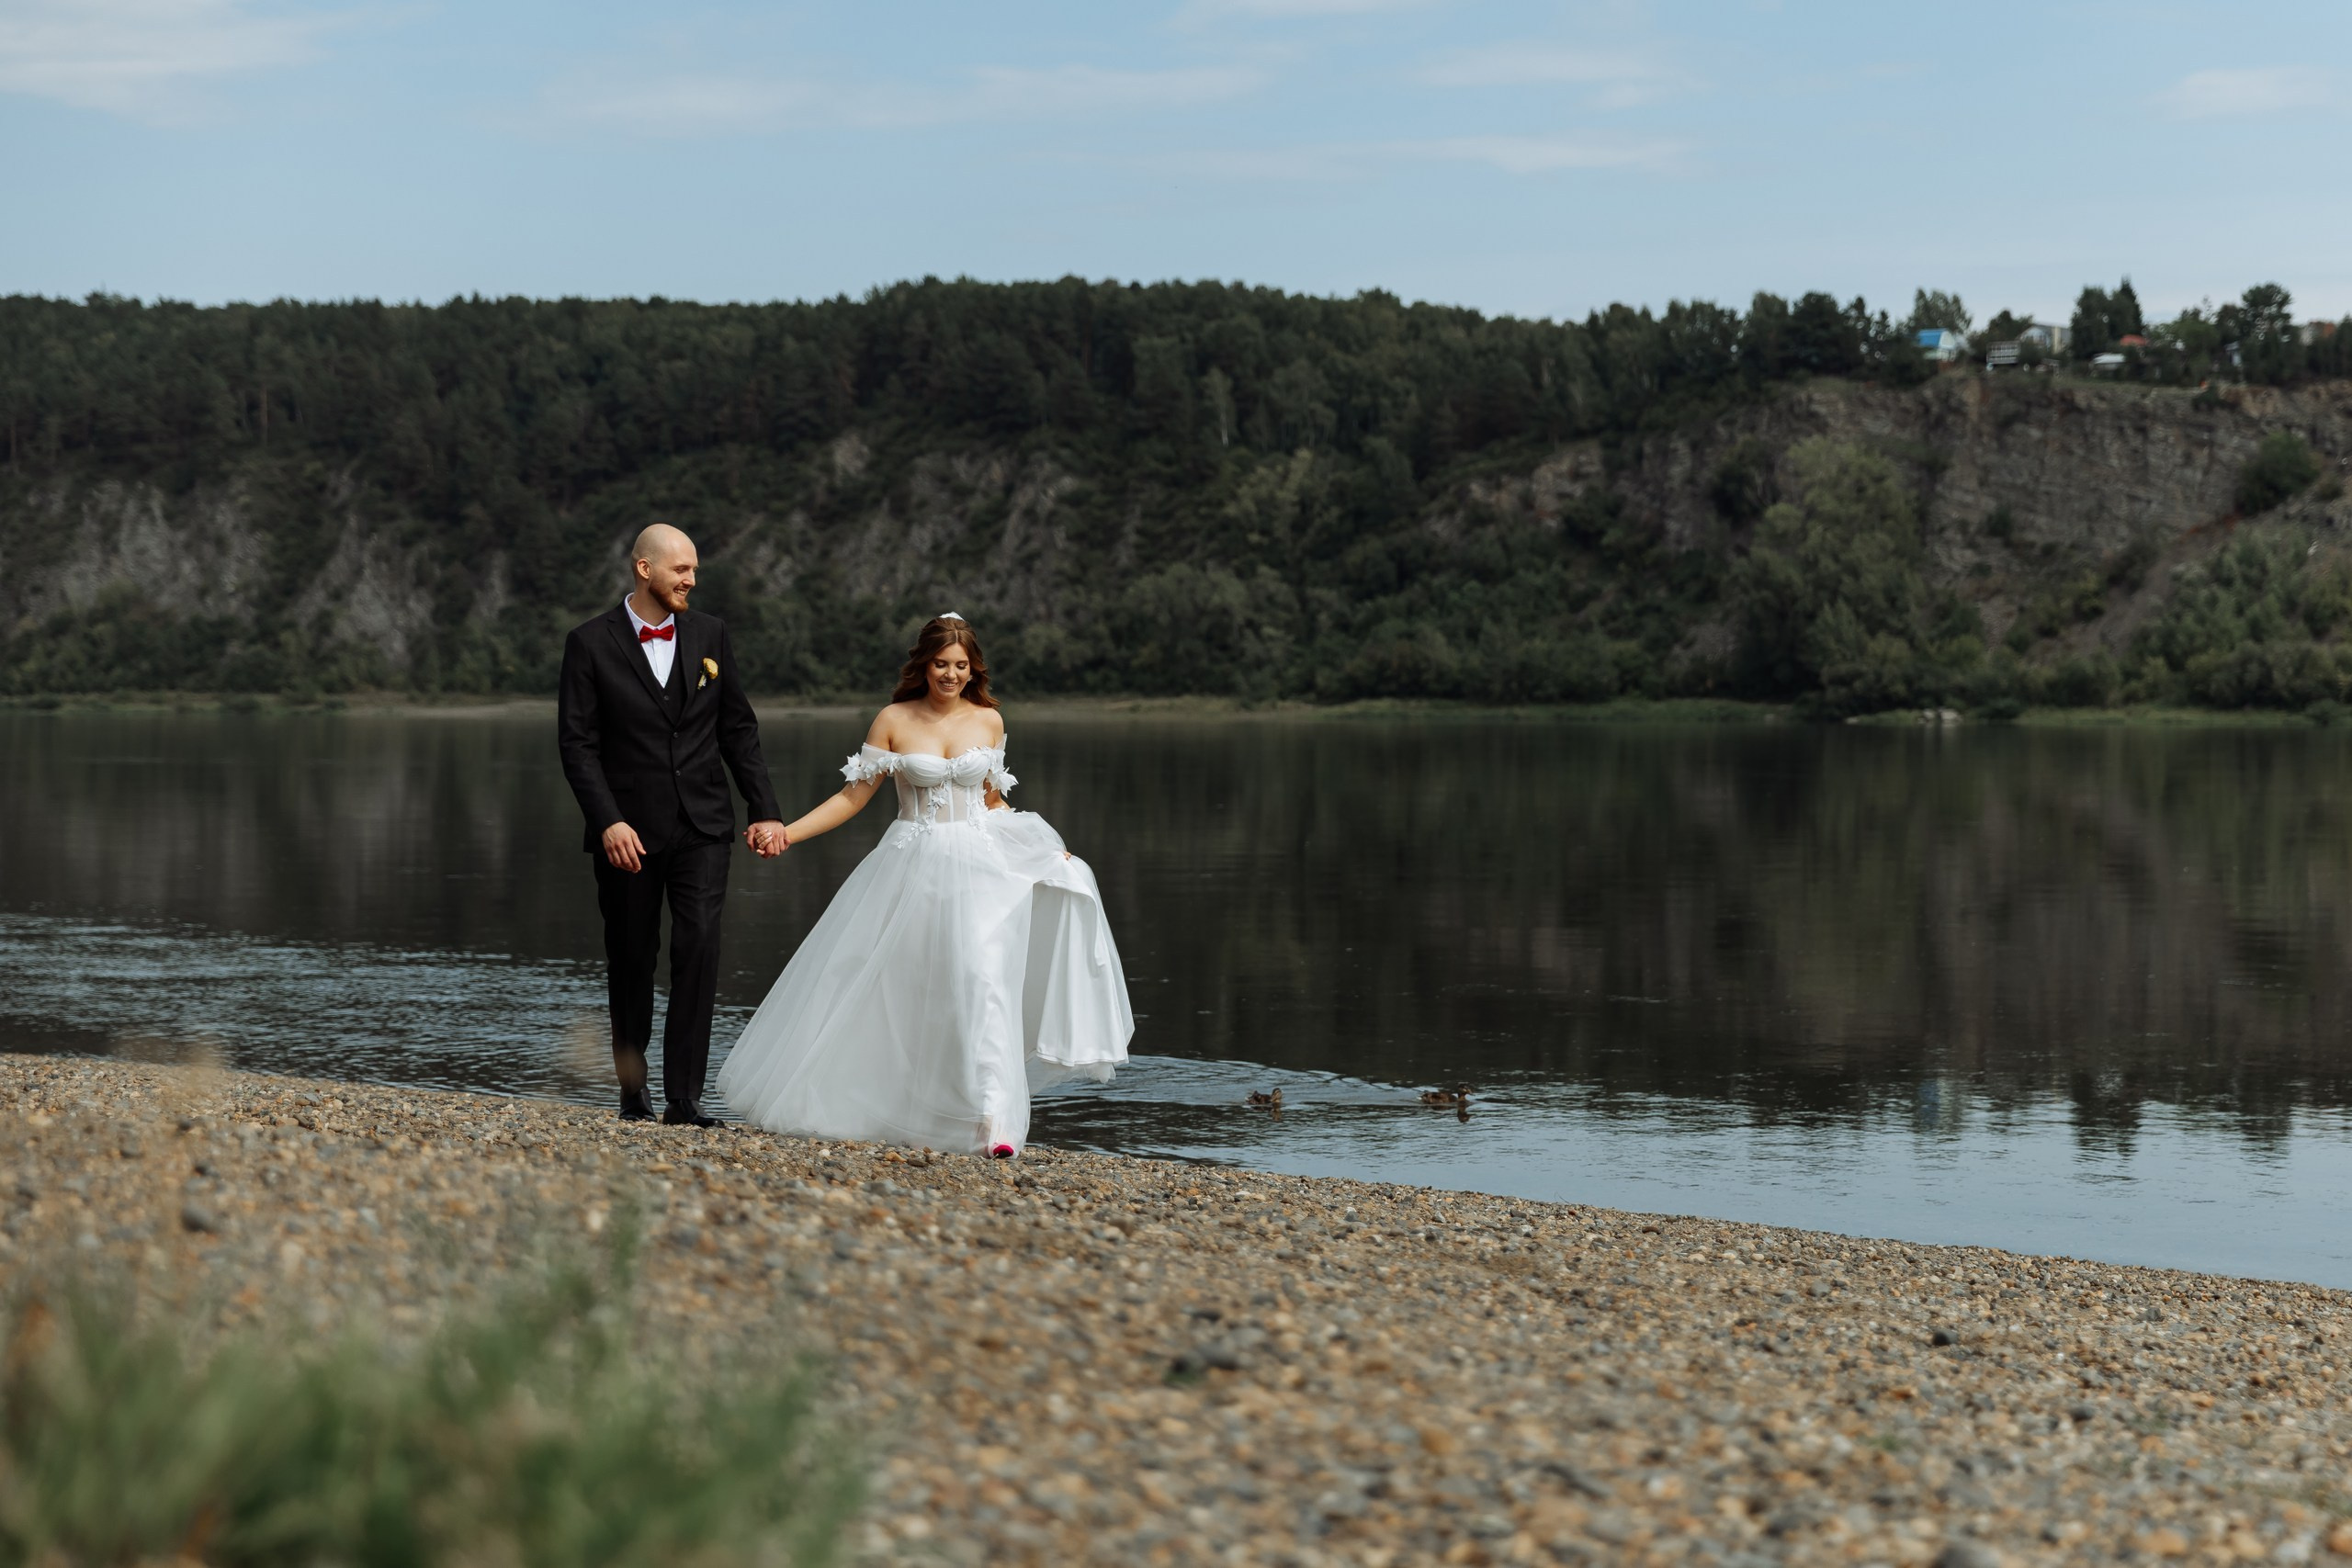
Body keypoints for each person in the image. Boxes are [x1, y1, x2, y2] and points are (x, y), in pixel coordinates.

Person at [716, 614, 1132, 1156]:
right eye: (941, 664)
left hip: (982, 867)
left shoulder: (989, 722)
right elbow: (852, 799)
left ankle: (992, 1125)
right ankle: (899, 1107)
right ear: (924, 664)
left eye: (961, 666)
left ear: (972, 669)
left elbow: (991, 802)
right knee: (906, 988)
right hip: (912, 864)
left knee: (983, 980)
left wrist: (1046, 848)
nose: (951, 675)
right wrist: (787, 834)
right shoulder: (892, 719)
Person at [557, 524, 786, 1126]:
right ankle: (634, 1093)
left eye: (693, 571)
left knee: (700, 947)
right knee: (631, 957)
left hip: (705, 825)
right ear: (643, 569)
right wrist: (607, 821)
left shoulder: (711, 633)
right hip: (627, 834)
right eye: (680, 569)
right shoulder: (588, 643)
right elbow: (577, 746)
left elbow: (738, 727)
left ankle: (685, 1098)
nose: (690, 579)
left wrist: (763, 807)